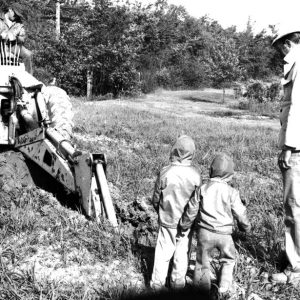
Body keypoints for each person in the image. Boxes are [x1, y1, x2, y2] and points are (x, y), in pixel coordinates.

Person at [179, 153, 251, 296]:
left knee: (202, 261)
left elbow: (192, 209)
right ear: (230, 174)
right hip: (225, 234)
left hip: (205, 232)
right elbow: (240, 213)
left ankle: (201, 290)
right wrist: (246, 227)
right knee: (229, 259)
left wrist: (184, 225)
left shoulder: (203, 189)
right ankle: (224, 288)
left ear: (211, 170)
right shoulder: (232, 192)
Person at [150, 135, 201, 291]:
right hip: (185, 224)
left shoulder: (165, 171)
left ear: (174, 150)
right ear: (192, 153)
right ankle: (177, 285)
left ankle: (157, 285)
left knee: (162, 254)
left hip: (167, 219)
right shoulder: (196, 175)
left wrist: (158, 209)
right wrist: (187, 221)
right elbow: (195, 203)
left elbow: (156, 197)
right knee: (182, 254)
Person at [270, 26, 300, 285]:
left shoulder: (298, 65)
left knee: (294, 207)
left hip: (298, 148)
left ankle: (296, 270)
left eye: (281, 46)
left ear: (290, 43)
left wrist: (288, 147)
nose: (280, 52)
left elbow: (296, 109)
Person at [0, 3, 33, 74]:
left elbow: (23, 38)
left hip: (13, 46)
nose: (16, 16)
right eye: (15, 14)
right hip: (1, 45)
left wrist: (16, 38)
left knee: (28, 54)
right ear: (10, 10)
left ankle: (28, 78)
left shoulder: (19, 23)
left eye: (18, 15)